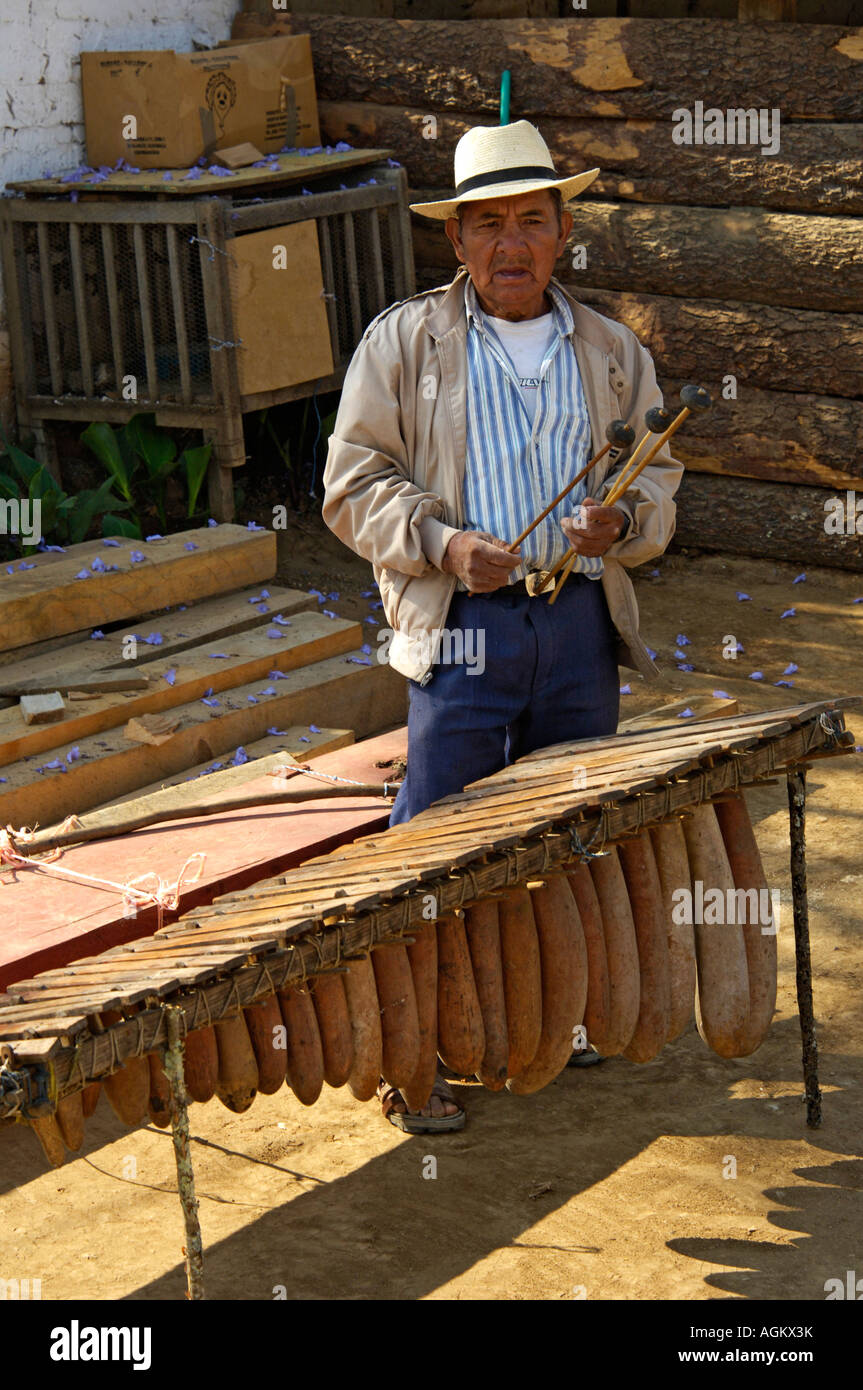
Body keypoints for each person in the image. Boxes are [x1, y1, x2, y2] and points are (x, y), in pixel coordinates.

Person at [323, 120, 682, 1131]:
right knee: (436, 842)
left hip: (574, 626)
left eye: (531, 220)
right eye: (488, 225)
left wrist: (624, 524)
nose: (510, 245)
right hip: (463, 628)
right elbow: (349, 488)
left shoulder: (609, 352)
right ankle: (411, 1048)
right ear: (456, 241)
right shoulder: (403, 343)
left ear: (562, 230)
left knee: (562, 834)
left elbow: (655, 480)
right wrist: (441, 546)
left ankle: (541, 1019)